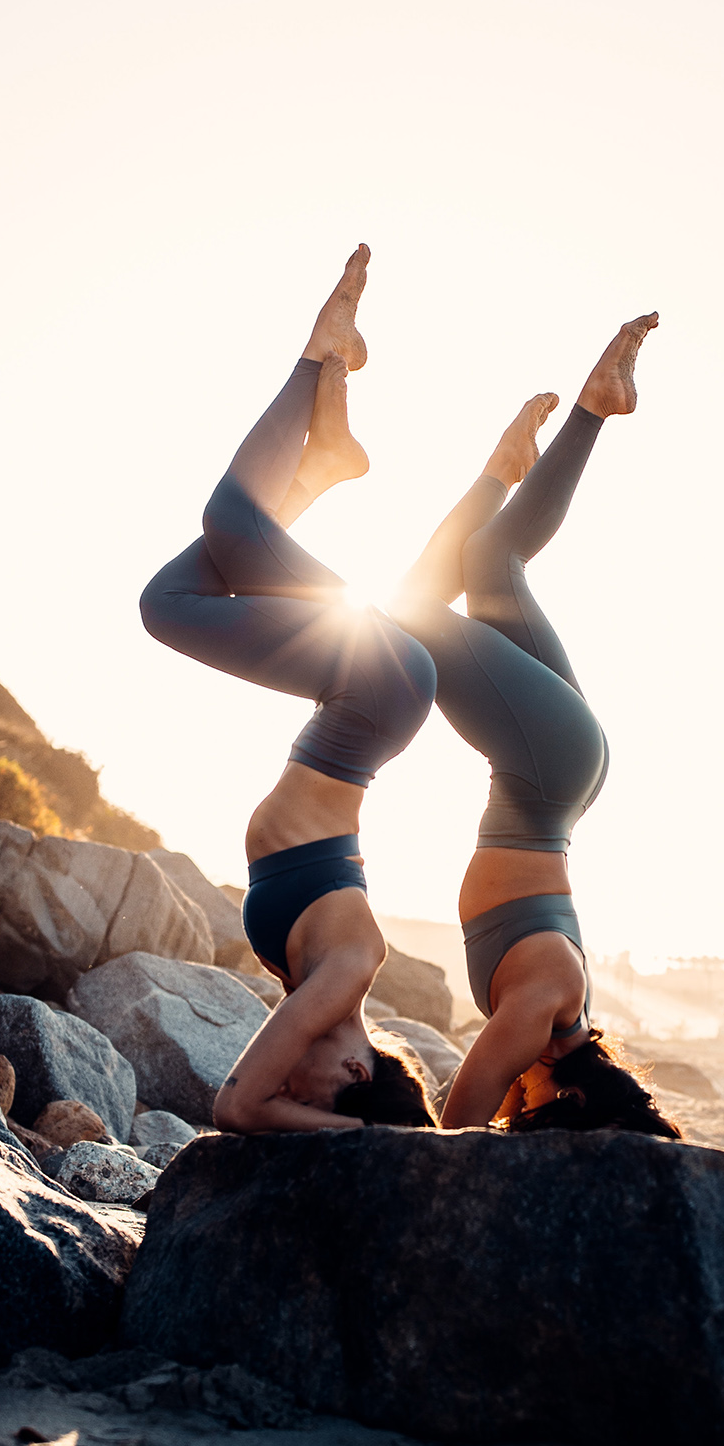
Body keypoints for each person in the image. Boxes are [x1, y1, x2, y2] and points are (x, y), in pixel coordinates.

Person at [140, 246, 437, 1133]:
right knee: (228, 524)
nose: (292, 1088)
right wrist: (362, 1138)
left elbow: (260, 1097)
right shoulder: (345, 977)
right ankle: (319, 355)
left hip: (357, 704)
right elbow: (240, 1105)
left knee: (169, 601)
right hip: (373, 693)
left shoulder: (320, 982)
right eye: (320, 1093)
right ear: (358, 1064)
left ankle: (321, 465)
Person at [390, 313, 679, 1138]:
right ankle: (517, 459)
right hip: (544, 773)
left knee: (487, 563)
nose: (523, 1106)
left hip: (560, 779)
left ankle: (585, 413)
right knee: (404, 615)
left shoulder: (562, 1017)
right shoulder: (542, 1019)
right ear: (574, 1100)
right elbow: (452, 1129)